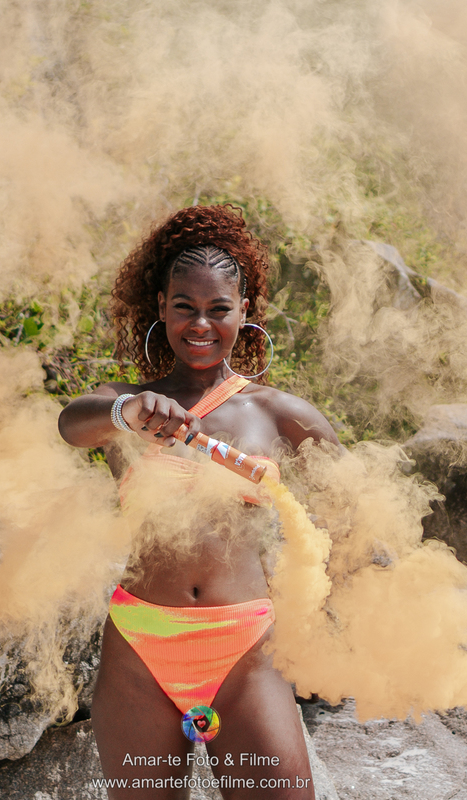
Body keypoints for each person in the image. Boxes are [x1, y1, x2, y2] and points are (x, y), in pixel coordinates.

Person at [58, 205, 339, 799]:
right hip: (140, 648)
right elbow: (71, 424)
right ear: (160, 307)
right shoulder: (127, 402)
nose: (200, 325)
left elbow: (356, 506)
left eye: (219, 309)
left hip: (246, 651)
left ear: (245, 313)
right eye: (184, 306)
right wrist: (125, 414)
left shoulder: (278, 413)